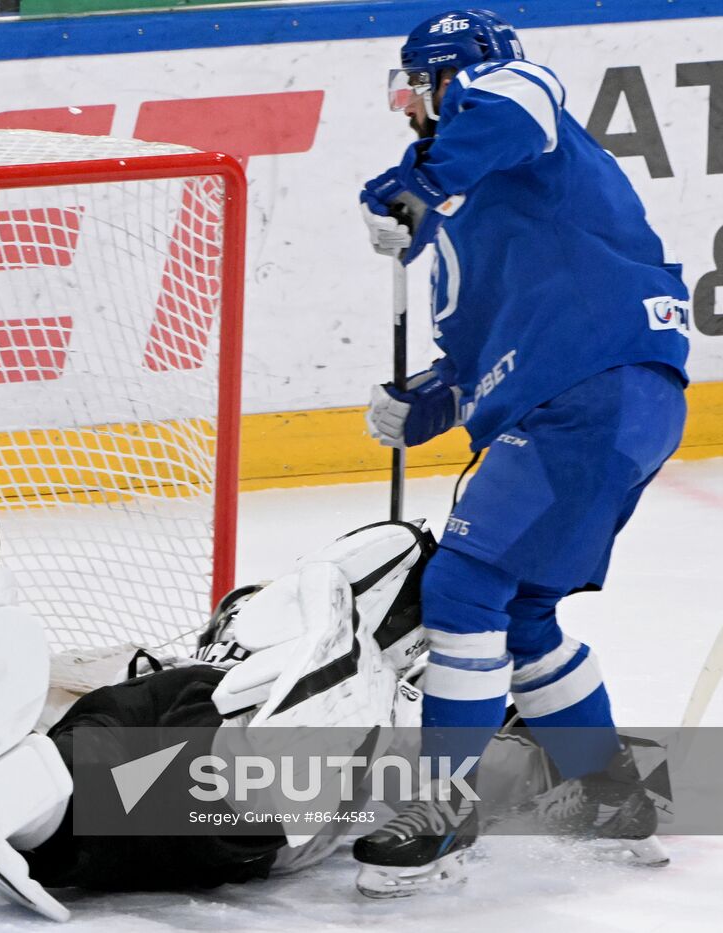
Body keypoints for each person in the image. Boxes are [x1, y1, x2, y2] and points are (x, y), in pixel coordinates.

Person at [0, 479, 622, 916]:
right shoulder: (422, 680)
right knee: (60, 802)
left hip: (216, 729)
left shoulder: (384, 609)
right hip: (222, 729)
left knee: (55, 798)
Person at [355, 8, 687, 895]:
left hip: (592, 391)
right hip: (610, 397)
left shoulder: (513, 105)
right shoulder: (487, 203)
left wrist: (415, 185)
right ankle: (613, 795)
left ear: (445, 80)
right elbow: (484, 363)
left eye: (416, 88)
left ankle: (439, 805)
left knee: (462, 584)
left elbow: (519, 96)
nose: (410, 108)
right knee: (521, 610)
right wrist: (423, 400)